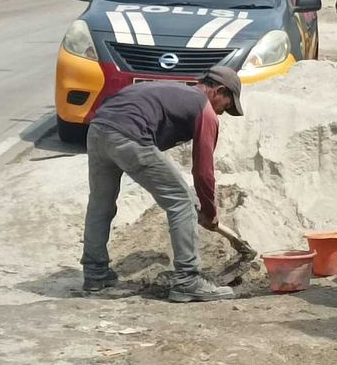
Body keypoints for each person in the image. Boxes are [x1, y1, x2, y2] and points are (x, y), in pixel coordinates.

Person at [81, 66, 243, 303]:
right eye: (226, 106)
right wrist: (209, 212)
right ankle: (188, 280)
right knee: (182, 201)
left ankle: (95, 274)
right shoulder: (204, 108)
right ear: (219, 91)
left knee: (100, 204)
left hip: (98, 129)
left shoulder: (175, 93)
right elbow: (203, 172)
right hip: (129, 135)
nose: (222, 113)